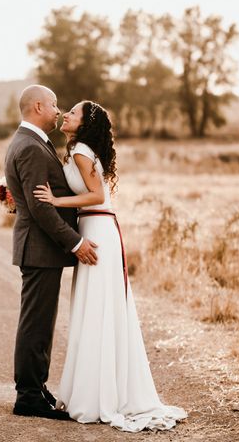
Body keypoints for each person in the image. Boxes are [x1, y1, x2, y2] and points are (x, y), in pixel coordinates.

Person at [33, 100, 188, 432]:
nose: (65, 115)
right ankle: (97, 389)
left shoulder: (81, 150)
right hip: (95, 226)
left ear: (84, 123)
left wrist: (57, 201)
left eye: (72, 113)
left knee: (98, 308)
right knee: (96, 308)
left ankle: (98, 395)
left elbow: (95, 194)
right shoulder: (78, 148)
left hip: (98, 228)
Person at [4, 85, 99, 420]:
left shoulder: (31, 142)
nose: (59, 112)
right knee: (36, 324)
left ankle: (36, 387)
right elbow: (41, 208)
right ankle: (28, 396)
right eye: (56, 106)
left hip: (40, 249)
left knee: (41, 323)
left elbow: (29, 196)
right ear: (39, 106)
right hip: (40, 249)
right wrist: (75, 242)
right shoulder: (30, 146)